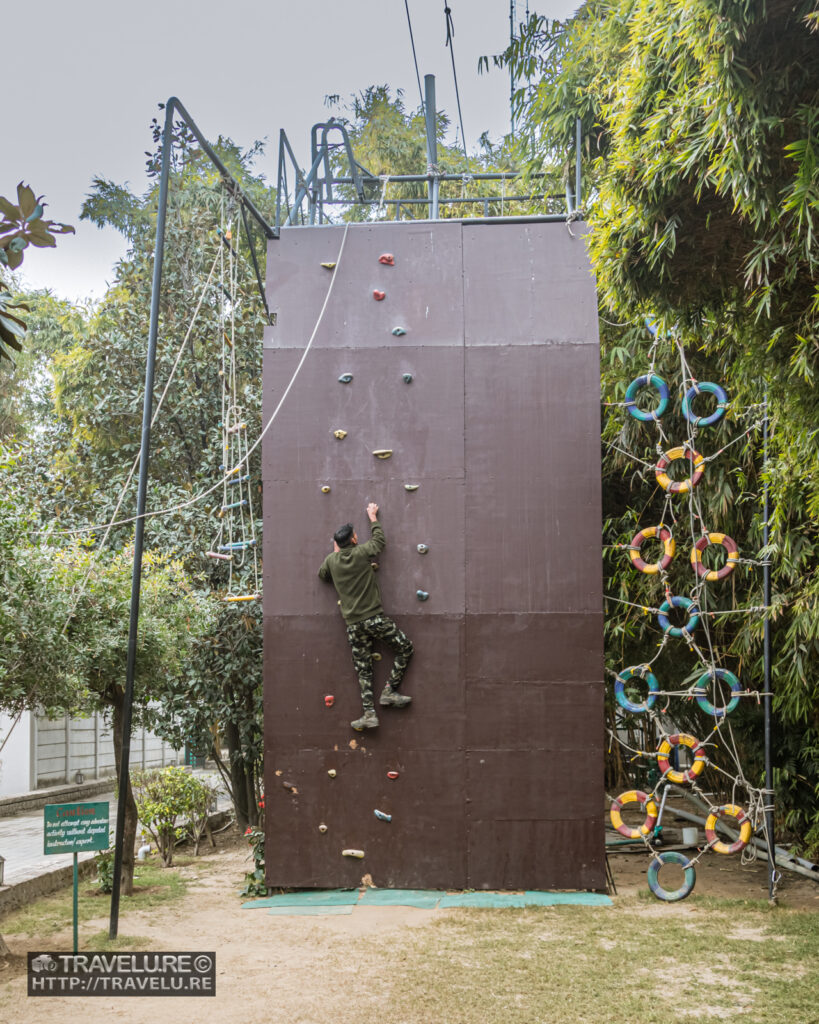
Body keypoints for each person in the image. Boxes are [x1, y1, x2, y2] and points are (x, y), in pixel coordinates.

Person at [318, 502, 414, 731]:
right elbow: (379, 541)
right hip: (374, 619)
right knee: (405, 648)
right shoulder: (362, 552)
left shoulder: (332, 561)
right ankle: (390, 691)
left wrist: (335, 555)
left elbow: (322, 575)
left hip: (353, 625)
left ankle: (370, 714)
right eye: (355, 535)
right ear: (353, 539)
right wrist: (373, 517)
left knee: (364, 668)